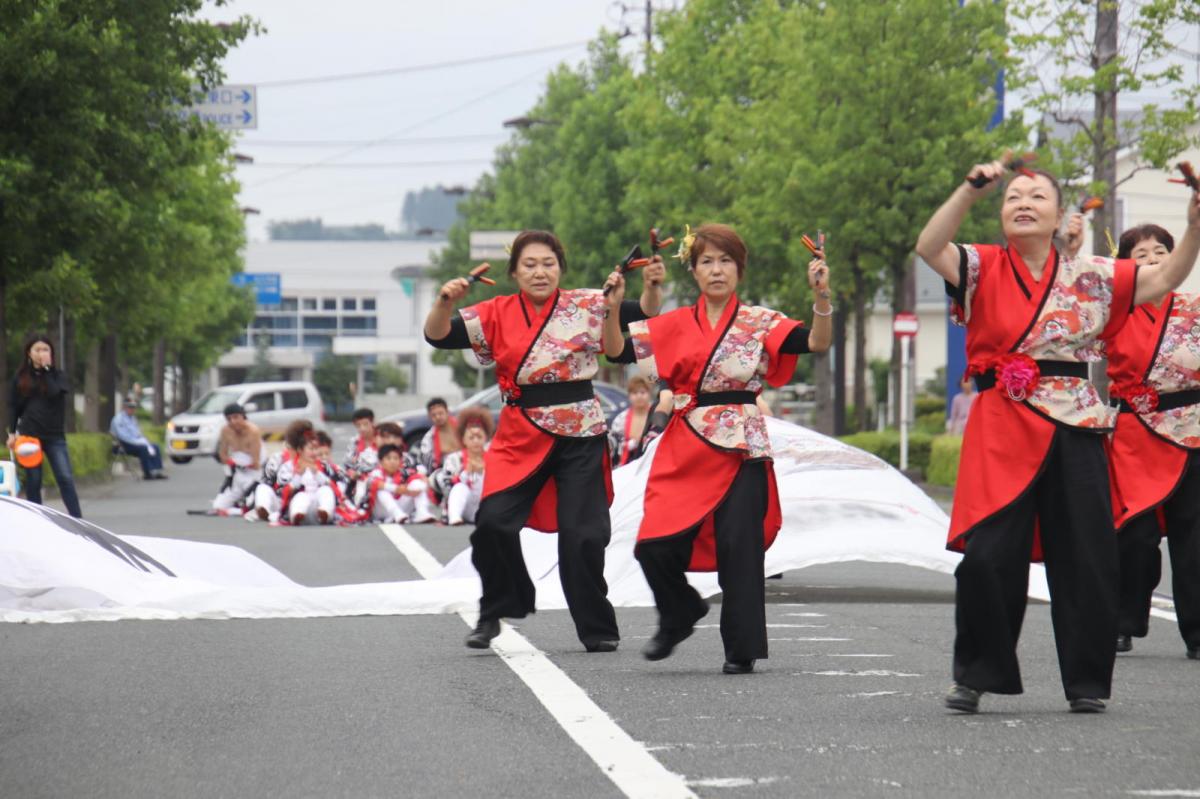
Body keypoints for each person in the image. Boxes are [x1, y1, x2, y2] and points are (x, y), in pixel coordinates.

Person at [915, 158, 1200, 714]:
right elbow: (930, 246)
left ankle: (1087, 682)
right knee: (988, 557)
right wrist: (968, 191)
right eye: (1012, 197)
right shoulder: (981, 266)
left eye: (1036, 196)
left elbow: (1165, 278)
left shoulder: (1092, 274)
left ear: (1058, 214)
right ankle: (976, 673)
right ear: (1000, 213)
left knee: (1088, 557)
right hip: (1001, 427)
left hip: (1078, 424)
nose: (1022, 202)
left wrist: (1194, 225)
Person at [424, 228, 666, 652]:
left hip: (582, 434)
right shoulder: (494, 312)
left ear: (561, 269)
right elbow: (438, 335)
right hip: (521, 433)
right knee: (494, 523)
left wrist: (652, 287)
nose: (540, 272)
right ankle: (495, 608)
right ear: (514, 273)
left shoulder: (588, 304)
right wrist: (444, 303)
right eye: (530, 265)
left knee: (584, 535)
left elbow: (641, 312)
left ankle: (597, 627)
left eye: (548, 264)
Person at [606, 222, 831, 675]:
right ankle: (679, 611)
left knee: (740, 546)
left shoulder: (760, 321)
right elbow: (616, 351)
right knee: (653, 544)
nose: (716, 270)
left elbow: (815, 341)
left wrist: (822, 298)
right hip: (686, 443)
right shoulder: (669, 324)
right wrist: (611, 310)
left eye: (725, 260)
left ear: (739, 270)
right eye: (706, 261)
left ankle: (741, 648)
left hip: (743, 444)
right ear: (692, 270)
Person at [1086, 223, 1200, 661]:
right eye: (1141, 255)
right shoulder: (1114, 312)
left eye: (1160, 252)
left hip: (1191, 430)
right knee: (1135, 535)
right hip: (1137, 437)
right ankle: (1122, 620)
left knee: (1194, 537)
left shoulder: (1192, 307)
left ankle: (1196, 632)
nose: (1152, 260)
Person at [5, 334, 82, 517]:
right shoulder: (21, 378)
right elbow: (15, 407)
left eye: (45, 349)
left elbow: (56, 393)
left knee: (65, 477)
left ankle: (77, 518)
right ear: (29, 353)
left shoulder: (58, 376)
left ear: (51, 353)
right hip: (29, 435)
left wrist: (47, 369)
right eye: (37, 349)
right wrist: (12, 433)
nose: (41, 353)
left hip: (54, 436)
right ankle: (36, 520)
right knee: (34, 480)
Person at [431, 406, 494, 525]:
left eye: (479, 437)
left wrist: (485, 471)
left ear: (485, 439)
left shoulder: (493, 458)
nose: (475, 441)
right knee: (460, 487)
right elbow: (446, 485)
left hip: (485, 506)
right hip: (464, 507)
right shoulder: (454, 459)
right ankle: (454, 517)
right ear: (463, 439)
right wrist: (465, 474)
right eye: (471, 437)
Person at [211, 403, 263, 515]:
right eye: (229, 419)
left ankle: (238, 507)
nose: (233, 422)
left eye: (236, 417)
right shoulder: (225, 431)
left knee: (255, 505)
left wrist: (241, 464)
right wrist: (231, 466)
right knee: (218, 505)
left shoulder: (253, 431)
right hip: (237, 471)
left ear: (243, 416)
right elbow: (223, 454)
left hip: (253, 472)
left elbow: (256, 463)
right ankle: (237, 502)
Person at [109, 399, 167, 479]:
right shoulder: (118, 419)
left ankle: (157, 472)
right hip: (124, 444)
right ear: (125, 407)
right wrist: (138, 442)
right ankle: (147, 473)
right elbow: (122, 436)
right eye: (130, 407)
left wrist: (143, 440)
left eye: (133, 407)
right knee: (143, 449)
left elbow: (138, 433)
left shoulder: (133, 419)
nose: (132, 409)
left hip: (136, 442)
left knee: (155, 447)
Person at [608, 376, 659, 467]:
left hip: (651, 462)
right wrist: (632, 444)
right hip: (626, 464)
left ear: (649, 394)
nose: (639, 396)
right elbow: (615, 445)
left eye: (643, 392)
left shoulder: (657, 416)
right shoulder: (621, 419)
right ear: (629, 395)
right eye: (635, 393)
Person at [418, 397, 461, 474]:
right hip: (443, 471)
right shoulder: (429, 438)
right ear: (429, 417)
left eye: (440, 413)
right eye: (434, 415)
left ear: (447, 412)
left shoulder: (462, 428)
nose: (438, 417)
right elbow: (426, 462)